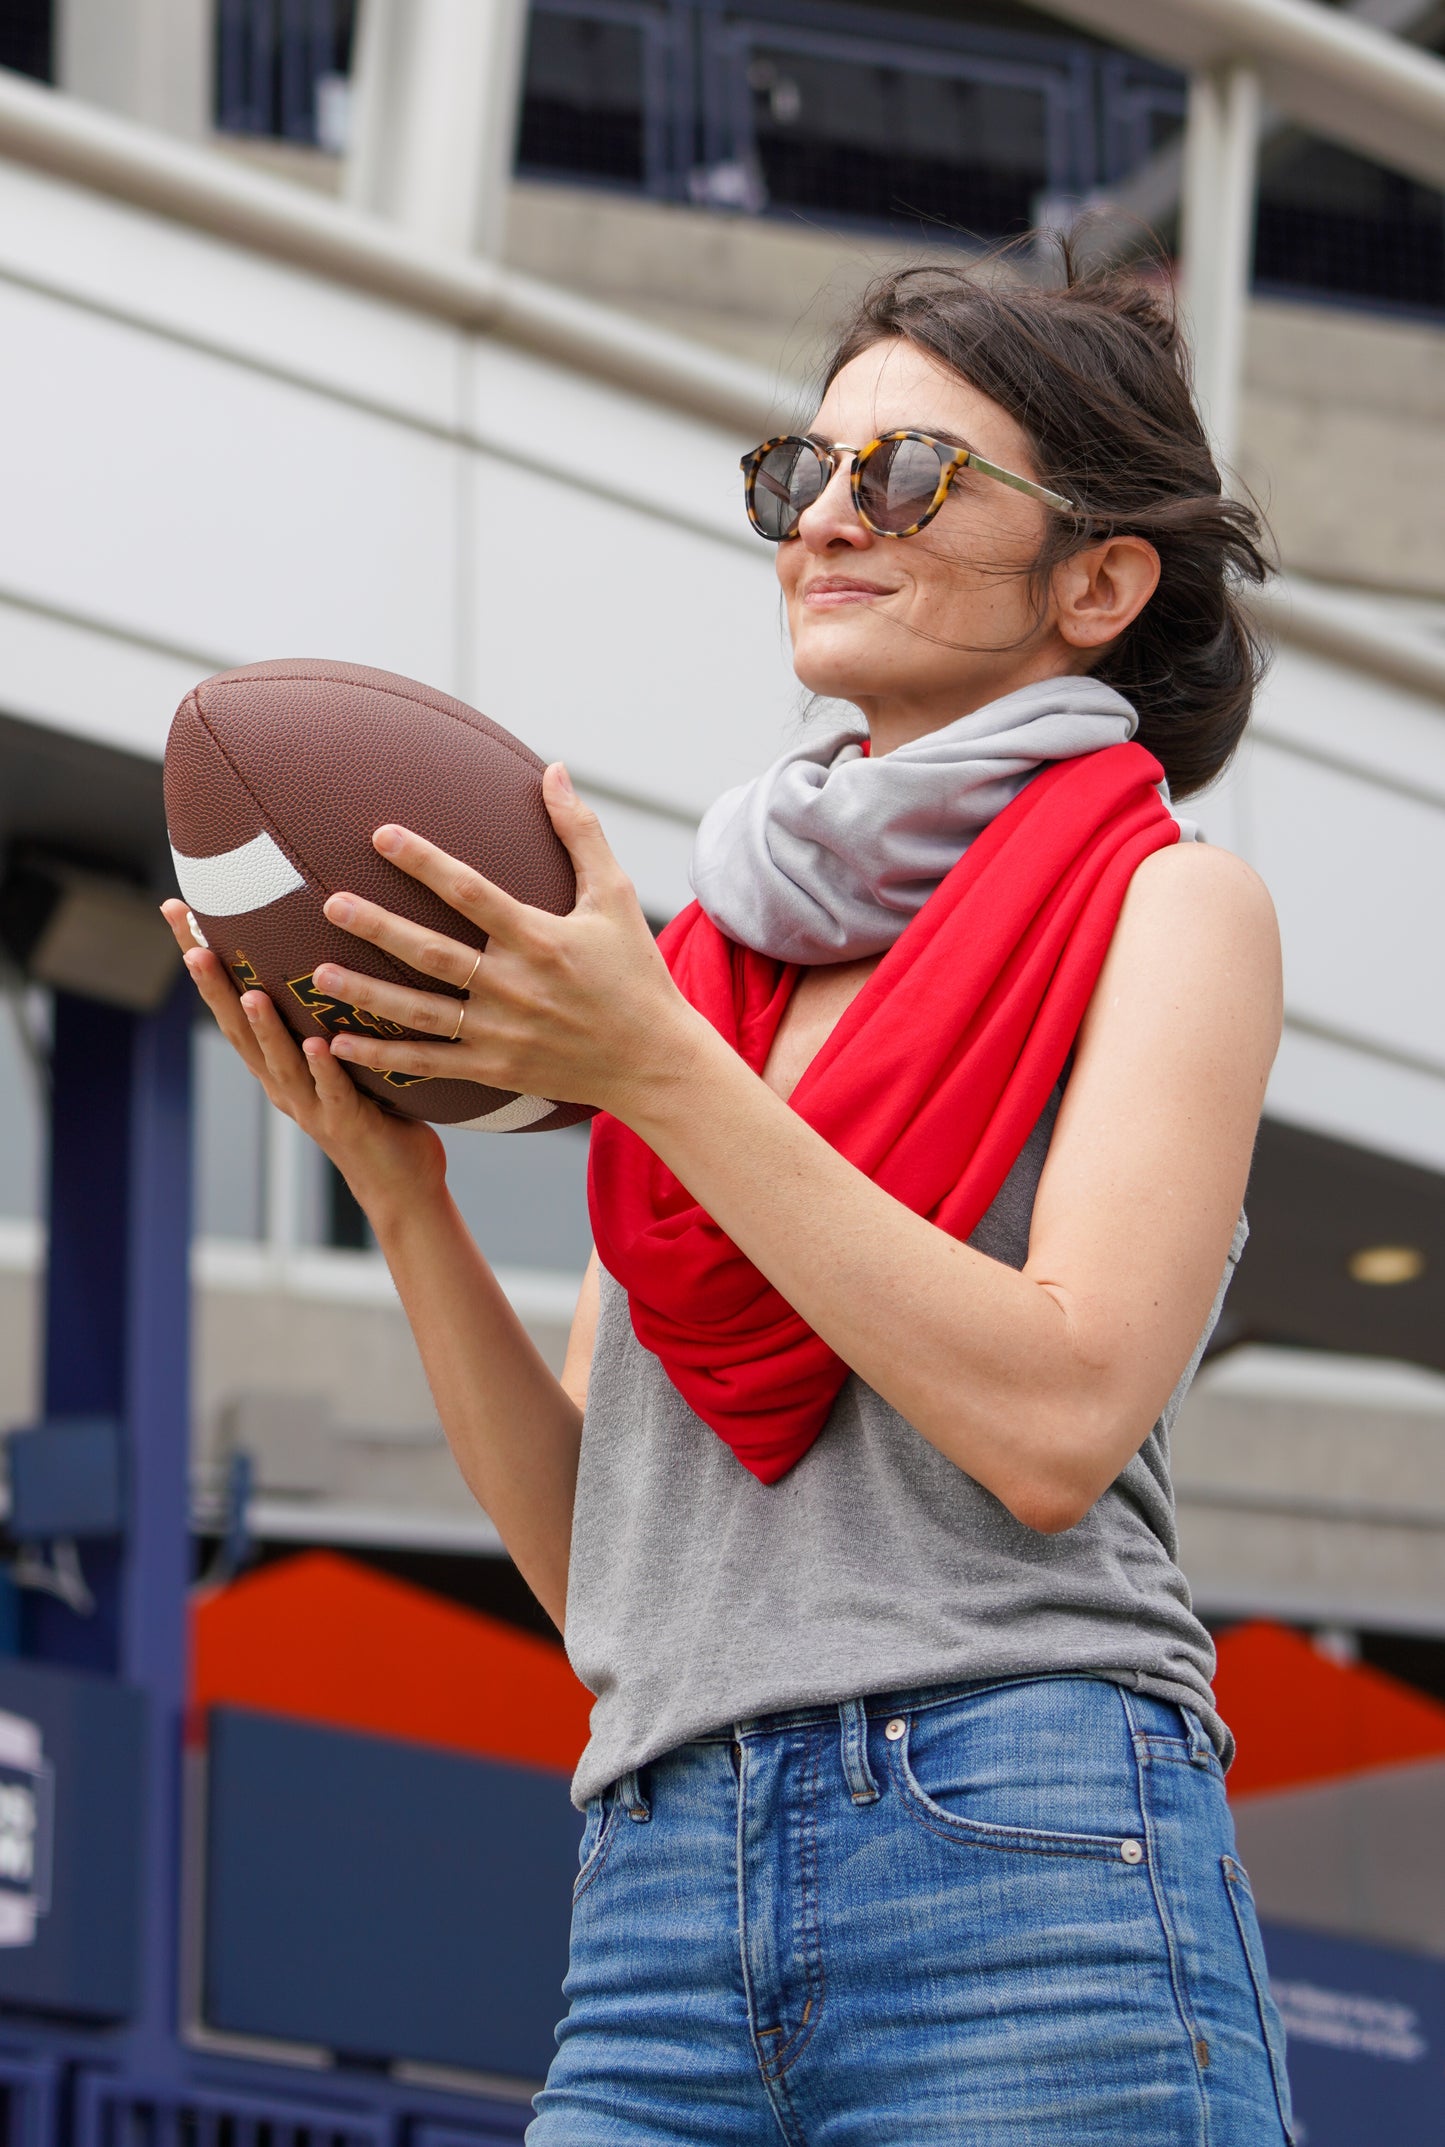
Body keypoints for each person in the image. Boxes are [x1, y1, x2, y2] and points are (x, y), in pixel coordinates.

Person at [166, 251, 1293, 2144]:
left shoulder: (1171, 910)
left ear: (1096, 583)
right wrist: (405, 1192)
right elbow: (598, 1567)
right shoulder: (694, 969)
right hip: (659, 1886)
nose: (830, 519)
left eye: (912, 478)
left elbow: (1054, 1417)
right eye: (803, 472)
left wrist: (649, 1069)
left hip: (1023, 1849)